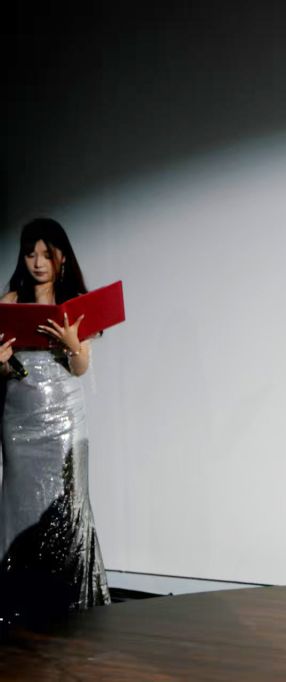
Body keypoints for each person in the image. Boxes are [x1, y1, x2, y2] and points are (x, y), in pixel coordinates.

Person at [0, 217, 110, 630]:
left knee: (69, 506)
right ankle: (19, 601)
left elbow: (80, 368)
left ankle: (70, 603)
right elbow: (6, 369)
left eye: (46, 254)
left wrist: (72, 345)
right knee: (20, 507)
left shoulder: (74, 303)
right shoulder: (10, 301)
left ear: (61, 257)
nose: (38, 262)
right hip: (18, 420)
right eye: (31, 254)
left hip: (64, 419)